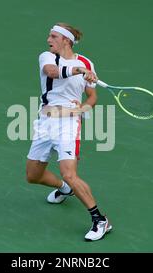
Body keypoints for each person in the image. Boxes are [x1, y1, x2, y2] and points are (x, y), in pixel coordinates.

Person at [26, 22, 112, 241]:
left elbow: (92, 97)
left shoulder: (86, 62)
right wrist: (79, 71)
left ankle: (100, 220)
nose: (48, 40)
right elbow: (52, 73)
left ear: (66, 40)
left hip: (69, 124)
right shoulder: (47, 57)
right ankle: (65, 189)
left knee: (69, 173)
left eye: (53, 36)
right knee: (33, 176)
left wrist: (81, 109)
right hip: (45, 122)